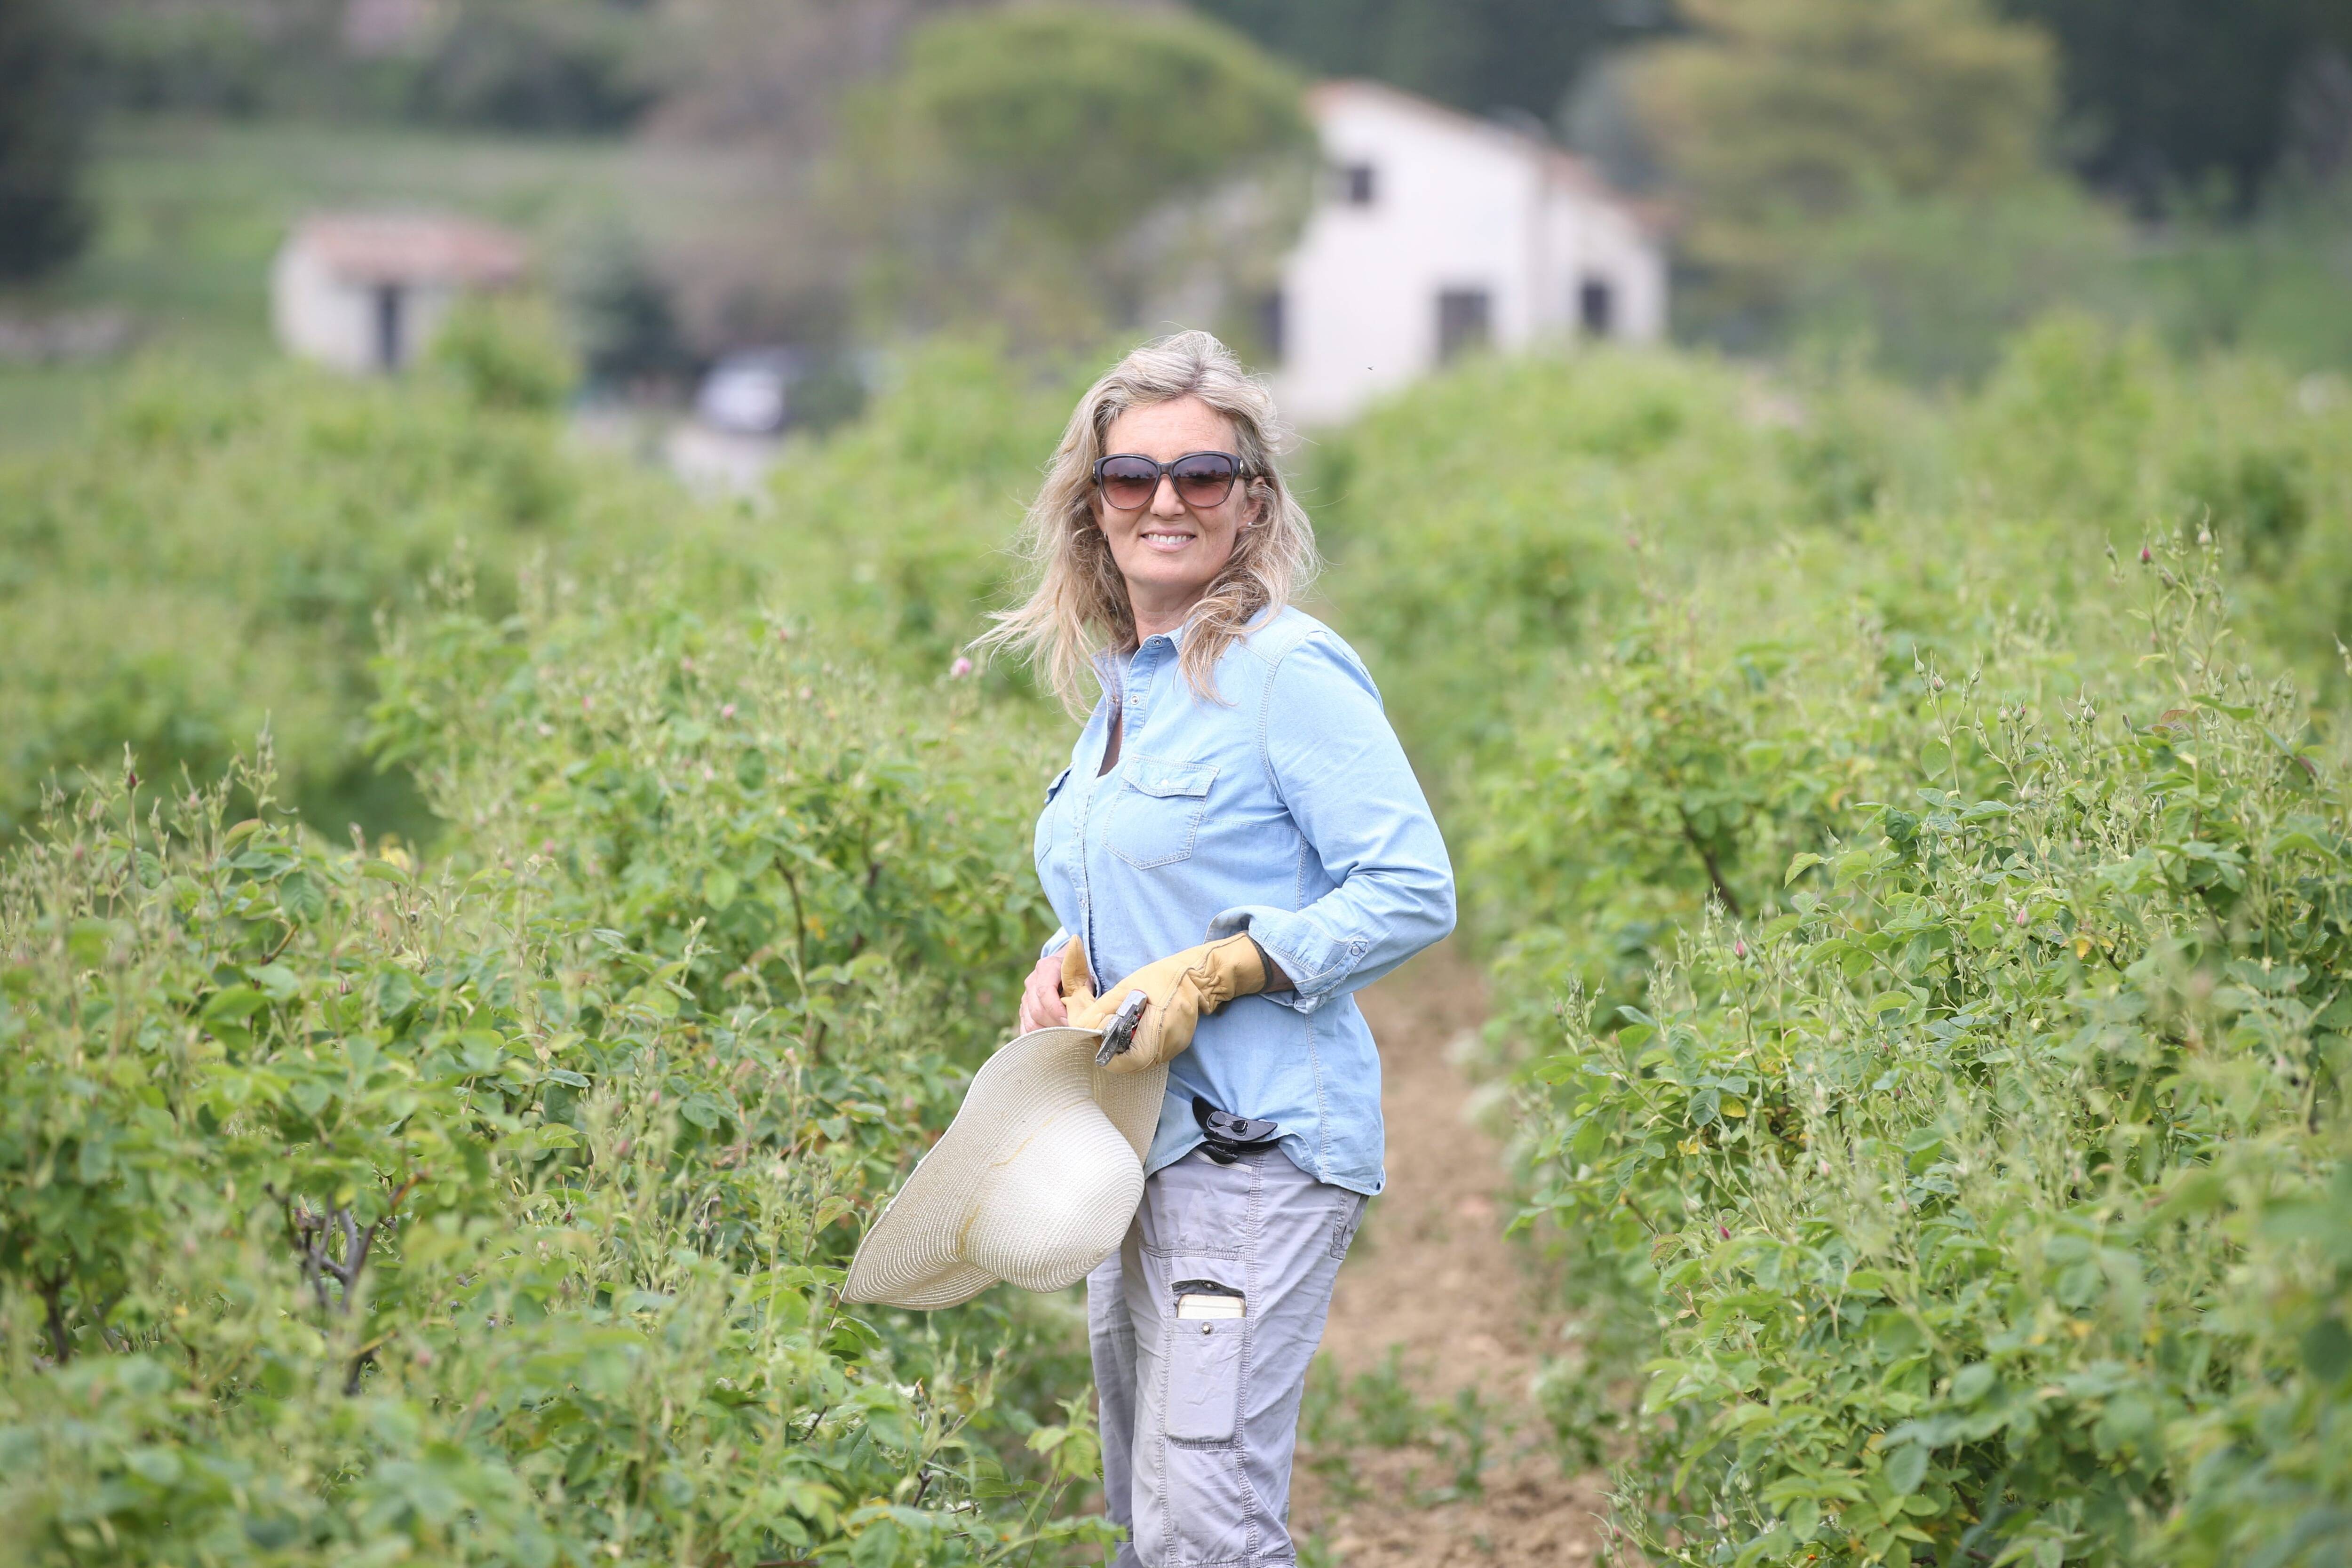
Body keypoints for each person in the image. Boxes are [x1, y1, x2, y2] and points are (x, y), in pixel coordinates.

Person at [978, 330, 1454, 1566]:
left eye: (1202, 474)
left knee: (1208, 1527)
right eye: (1131, 475)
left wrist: (1221, 969)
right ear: (1093, 506)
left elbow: (1412, 887)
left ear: (1252, 502)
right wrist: (1065, 959)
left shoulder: (1284, 670)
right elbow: (1158, 875)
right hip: (1134, 1155)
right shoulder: (1126, 694)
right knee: (1151, 1524)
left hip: (1250, 1151)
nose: (1166, 501)